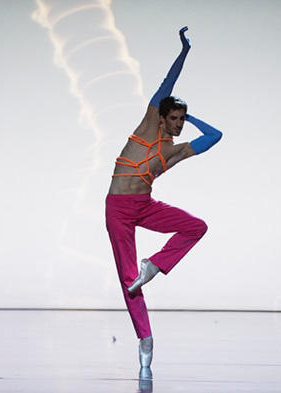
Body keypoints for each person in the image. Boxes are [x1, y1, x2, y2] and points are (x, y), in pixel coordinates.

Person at [105, 26, 222, 373]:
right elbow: (166, 86)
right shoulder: (146, 127)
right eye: (175, 118)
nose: (180, 124)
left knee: (196, 227)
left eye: (183, 120)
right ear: (161, 116)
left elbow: (216, 136)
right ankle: (145, 340)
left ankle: (154, 266)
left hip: (145, 205)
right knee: (129, 281)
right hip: (118, 210)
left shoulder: (177, 150)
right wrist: (184, 52)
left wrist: (190, 112)